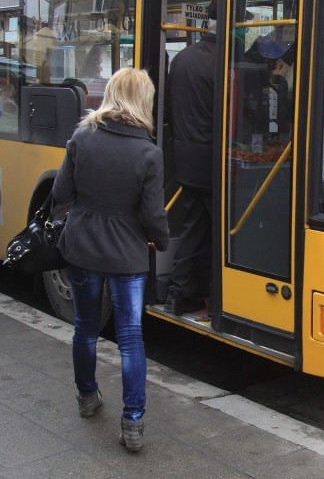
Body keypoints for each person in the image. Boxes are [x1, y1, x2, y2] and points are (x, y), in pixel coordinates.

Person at [52, 67, 169, 453]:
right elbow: (154, 216)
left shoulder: (82, 137)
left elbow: (61, 192)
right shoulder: (149, 153)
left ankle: (87, 397)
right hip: (127, 256)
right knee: (131, 338)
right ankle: (132, 421)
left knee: (85, 328)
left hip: (82, 247)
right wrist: (160, 241)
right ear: (144, 101)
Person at [163, 0, 217, 315]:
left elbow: (170, 108)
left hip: (185, 160)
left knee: (195, 228)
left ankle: (177, 295)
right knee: (224, 233)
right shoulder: (227, 60)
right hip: (216, 163)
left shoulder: (182, 59)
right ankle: (218, 295)